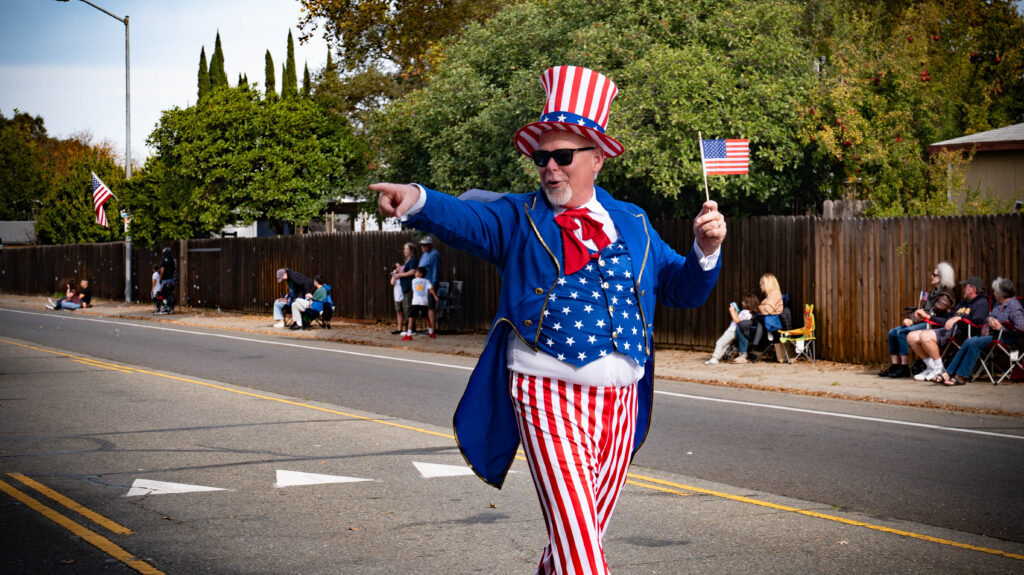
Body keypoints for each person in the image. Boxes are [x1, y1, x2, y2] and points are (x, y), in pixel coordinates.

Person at [372, 65, 725, 575]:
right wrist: (417, 199)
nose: (550, 169)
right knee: (584, 557)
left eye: (563, 157)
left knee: (571, 546)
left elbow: (682, 291)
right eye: (542, 158)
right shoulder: (517, 217)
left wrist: (706, 250)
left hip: (621, 404)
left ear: (597, 158)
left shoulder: (633, 222)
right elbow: (466, 218)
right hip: (546, 395)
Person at [935, 277, 1024, 385]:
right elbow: (987, 318)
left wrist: (1002, 328)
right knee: (969, 341)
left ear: (1001, 293)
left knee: (975, 342)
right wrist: (990, 320)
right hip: (993, 335)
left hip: (1008, 338)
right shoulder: (998, 304)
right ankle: (948, 373)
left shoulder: (1015, 307)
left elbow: (1021, 328)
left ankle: (961, 376)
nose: (994, 292)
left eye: (995, 290)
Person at [878, 262, 956, 378]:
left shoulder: (946, 295)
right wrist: (910, 319)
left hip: (934, 325)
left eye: (934, 275)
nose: (931, 277)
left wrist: (913, 321)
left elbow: (931, 314)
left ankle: (904, 367)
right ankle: (895, 365)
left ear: (942, 278)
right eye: (932, 274)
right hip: (924, 321)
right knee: (892, 332)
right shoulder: (933, 292)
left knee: (902, 332)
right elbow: (922, 310)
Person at [907, 275, 990, 381]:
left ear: (973, 289)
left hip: (964, 332)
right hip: (949, 330)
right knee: (911, 337)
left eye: (966, 286)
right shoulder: (963, 303)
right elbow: (947, 320)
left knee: (925, 335)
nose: (963, 288)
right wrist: (928, 317)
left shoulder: (982, 303)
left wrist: (959, 318)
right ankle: (931, 367)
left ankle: (939, 369)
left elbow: (979, 321)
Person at [732, 273, 783, 363]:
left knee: (740, 325)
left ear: (767, 284)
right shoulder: (771, 295)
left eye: (761, 284)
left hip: (768, 323)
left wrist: (758, 308)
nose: (760, 286)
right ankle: (743, 352)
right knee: (741, 325)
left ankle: (743, 354)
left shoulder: (775, 294)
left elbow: (766, 310)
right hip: (762, 321)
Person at [705, 292, 759, 364]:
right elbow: (739, 319)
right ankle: (716, 358)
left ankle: (714, 358)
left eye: (744, 301)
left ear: (748, 303)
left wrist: (731, 312)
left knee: (720, 343)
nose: (742, 303)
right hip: (736, 332)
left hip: (732, 331)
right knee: (725, 344)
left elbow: (738, 321)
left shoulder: (745, 312)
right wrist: (736, 313)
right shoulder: (750, 313)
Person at [390, 242, 419, 335]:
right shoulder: (407, 261)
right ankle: (409, 328)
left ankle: (411, 329)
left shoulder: (413, 260)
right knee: (407, 307)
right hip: (405, 287)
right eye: (404, 249)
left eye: (406, 249)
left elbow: (412, 271)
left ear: (412, 251)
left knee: (409, 308)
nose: (404, 251)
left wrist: (400, 275)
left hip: (410, 286)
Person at [402, 267, 438, 340]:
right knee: (426, 317)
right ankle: (431, 332)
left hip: (415, 302)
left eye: (416, 272)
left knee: (411, 318)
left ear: (420, 274)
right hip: (424, 302)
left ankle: (409, 335)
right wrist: (435, 296)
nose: (415, 273)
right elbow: (431, 289)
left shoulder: (413, 281)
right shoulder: (427, 281)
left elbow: (413, 289)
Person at [417, 236, 441, 333]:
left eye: (425, 245)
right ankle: (428, 327)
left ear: (430, 244)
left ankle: (432, 328)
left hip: (430, 283)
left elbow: (436, 270)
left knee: (430, 306)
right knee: (424, 306)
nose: (423, 247)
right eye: (422, 245)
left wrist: (434, 284)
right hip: (422, 284)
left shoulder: (434, 255)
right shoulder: (424, 255)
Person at [155, 247, 177, 315]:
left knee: (163, 294)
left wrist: (160, 278)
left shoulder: (164, 261)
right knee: (170, 293)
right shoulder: (173, 261)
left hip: (165, 280)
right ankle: (171, 308)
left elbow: (162, 270)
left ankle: (165, 308)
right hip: (172, 280)